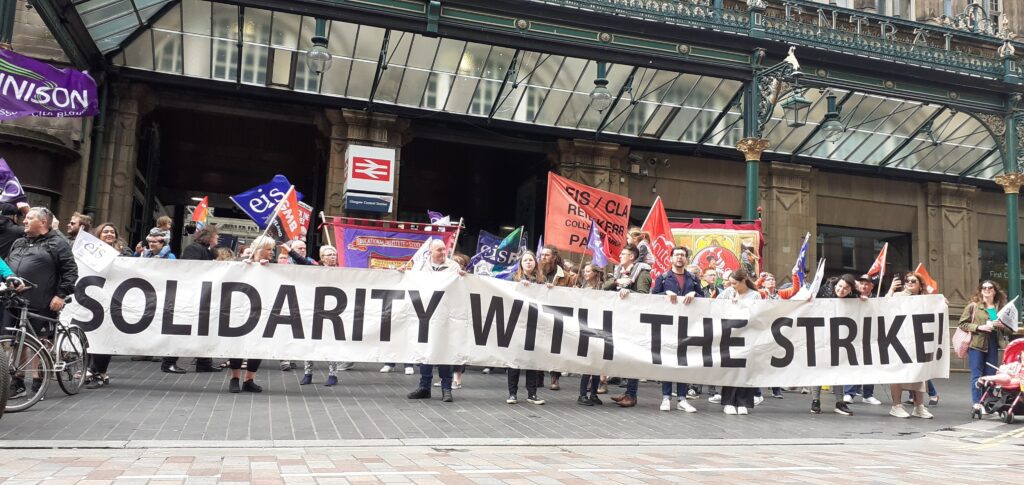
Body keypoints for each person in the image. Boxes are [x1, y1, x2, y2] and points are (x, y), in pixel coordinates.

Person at [6, 207, 78, 398]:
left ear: (43, 222)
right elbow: (6, 264)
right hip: (13, 300)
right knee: (16, 340)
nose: (24, 221)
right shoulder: (19, 241)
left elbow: (70, 271)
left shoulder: (58, 243)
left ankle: (39, 380)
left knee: (39, 341)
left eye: (29, 218)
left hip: (43, 301)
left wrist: (61, 295)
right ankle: (18, 381)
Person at [403, 239, 463, 403]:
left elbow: (460, 289)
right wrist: (403, 274)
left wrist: (464, 279)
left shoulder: (453, 267)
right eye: (439, 250)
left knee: (444, 352)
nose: (443, 252)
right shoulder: (421, 267)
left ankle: (446, 388)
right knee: (425, 351)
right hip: (426, 315)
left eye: (444, 249)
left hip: (445, 316)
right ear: (430, 251)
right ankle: (424, 387)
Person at [161, 226, 221, 374]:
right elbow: (189, 269)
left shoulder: (209, 251)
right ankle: (168, 362)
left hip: (202, 296)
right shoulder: (194, 249)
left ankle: (204, 362)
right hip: (191, 296)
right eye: (216, 236)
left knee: (204, 330)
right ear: (209, 236)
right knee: (182, 330)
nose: (218, 238)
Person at [651, 246, 702, 413]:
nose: (680, 258)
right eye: (677, 255)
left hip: (688, 326)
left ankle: (682, 398)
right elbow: (651, 298)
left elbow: (704, 299)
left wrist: (695, 295)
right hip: (668, 326)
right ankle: (666, 396)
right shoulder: (663, 278)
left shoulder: (693, 278)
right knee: (668, 360)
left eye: (683, 255)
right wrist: (665, 295)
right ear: (671, 258)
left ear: (686, 259)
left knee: (683, 361)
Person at [85, 223, 133, 389]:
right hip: (93, 298)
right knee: (92, 335)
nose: (109, 234)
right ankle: (93, 370)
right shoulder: (88, 252)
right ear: (99, 235)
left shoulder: (124, 252)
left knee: (105, 336)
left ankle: (99, 372)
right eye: (105, 231)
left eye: (112, 231)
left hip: (113, 299)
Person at [605, 244, 652, 408]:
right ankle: (627, 393)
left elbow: (644, 296)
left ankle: (632, 395)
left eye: (624, 254)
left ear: (632, 257)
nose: (620, 256)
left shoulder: (643, 273)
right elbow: (604, 287)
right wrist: (617, 281)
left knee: (633, 357)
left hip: (634, 321)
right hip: (619, 319)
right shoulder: (618, 271)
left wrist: (629, 293)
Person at [959, 280, 1014, 415]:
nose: (987, 290)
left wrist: (1002, 326)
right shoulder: (974, 306)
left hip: (992, 344)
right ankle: (977, 404)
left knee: (990, 376)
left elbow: (1009, 330)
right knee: (977, 375)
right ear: (981, 290)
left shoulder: (999, 308)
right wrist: (978, 327)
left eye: (990, 288)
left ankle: (988, 403)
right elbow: (962, 324)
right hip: (976, 344)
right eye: (984, 288)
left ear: (995, 291)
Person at [228, 235, 275, 393]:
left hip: (261, 311)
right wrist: (243, 266)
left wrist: (269, 267)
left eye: (272, 250)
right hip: (240, 309)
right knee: (237, 344)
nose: (271, 253)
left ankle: (249, 379)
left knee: (257, 346)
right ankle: (234, 378)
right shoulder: (241, 263)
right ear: (259, 250)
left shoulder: (271, 265)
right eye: (268, 250)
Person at [809, 274, 858, 417]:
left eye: (846, 288)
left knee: (839, 369)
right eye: (840, 286)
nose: (842, 290)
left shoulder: (852, 300)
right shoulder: (824, 292)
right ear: (836, 285)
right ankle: (815, 401)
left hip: (840, 340)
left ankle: (839, 402)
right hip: (821, 338)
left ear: (850, 290)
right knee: (818, 369)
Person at [715, 268, 762, 415]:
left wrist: (742, 306)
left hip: (747, 336)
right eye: (731, 283)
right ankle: (728, 402)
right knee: (731, 369)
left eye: (735, 283)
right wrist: (730, 303)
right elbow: (714, 306)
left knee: (745, 370)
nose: (732, 286)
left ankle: (743, 402)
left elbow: (758, 314)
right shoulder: (728, 292)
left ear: (743, 281)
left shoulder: (755, 295)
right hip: (730, 335)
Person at [887, 271, 933, 419]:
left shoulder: (926, 299)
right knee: (897, 372)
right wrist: (891, 290)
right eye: (907, 281)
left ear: (920, 285)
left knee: (920, 373)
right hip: (899, 339)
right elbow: (883, 307)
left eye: (913, 281)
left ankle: (919, 407)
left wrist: (941, 302)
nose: (910, 283)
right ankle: (896, 406)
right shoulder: (898, 296)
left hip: (918, 340)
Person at [507, 250, 547, 405]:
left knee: (532, 360)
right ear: (521, 264)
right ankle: (512, 393)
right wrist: (518, 287)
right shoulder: (513, 278)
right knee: (515, 359)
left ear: (535, 263)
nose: (529, 263)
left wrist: (550, 289)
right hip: (517, 324)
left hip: (534, 324)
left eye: (531, 260)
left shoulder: (541, 280)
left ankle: (532, 393)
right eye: (525, 260)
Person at [842, 274, 882, 405]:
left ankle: (868, 394)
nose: (864, 286)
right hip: (852, 337)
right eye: (862, 283)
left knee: (871, 364)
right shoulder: (851, 296)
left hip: (871, 337)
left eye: (867, 284)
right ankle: (849, 393)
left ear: (872, 286)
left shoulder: (878, 299)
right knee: (852, 363)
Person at [539, 245, 572, 389]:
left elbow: (571, 295)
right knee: (538, 345)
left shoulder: (565, 276)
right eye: (542, 255)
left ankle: (554, 377)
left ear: (554, 257)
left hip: (557, 315)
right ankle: (537, 377)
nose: (543, 258)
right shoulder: (536, 272)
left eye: (547, 255)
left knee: (555, 347)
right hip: (539, 313)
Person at [576, 262, 607, 405]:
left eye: (588, 271)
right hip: (585, 326)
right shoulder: (581, 287)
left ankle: (593, 393)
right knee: (588, 363)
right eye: (584, 271)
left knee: (597, 362)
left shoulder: (601, 287)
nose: (585, 273)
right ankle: (582, 394)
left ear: (595, 273)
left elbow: (612, 280)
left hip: (598, 326)